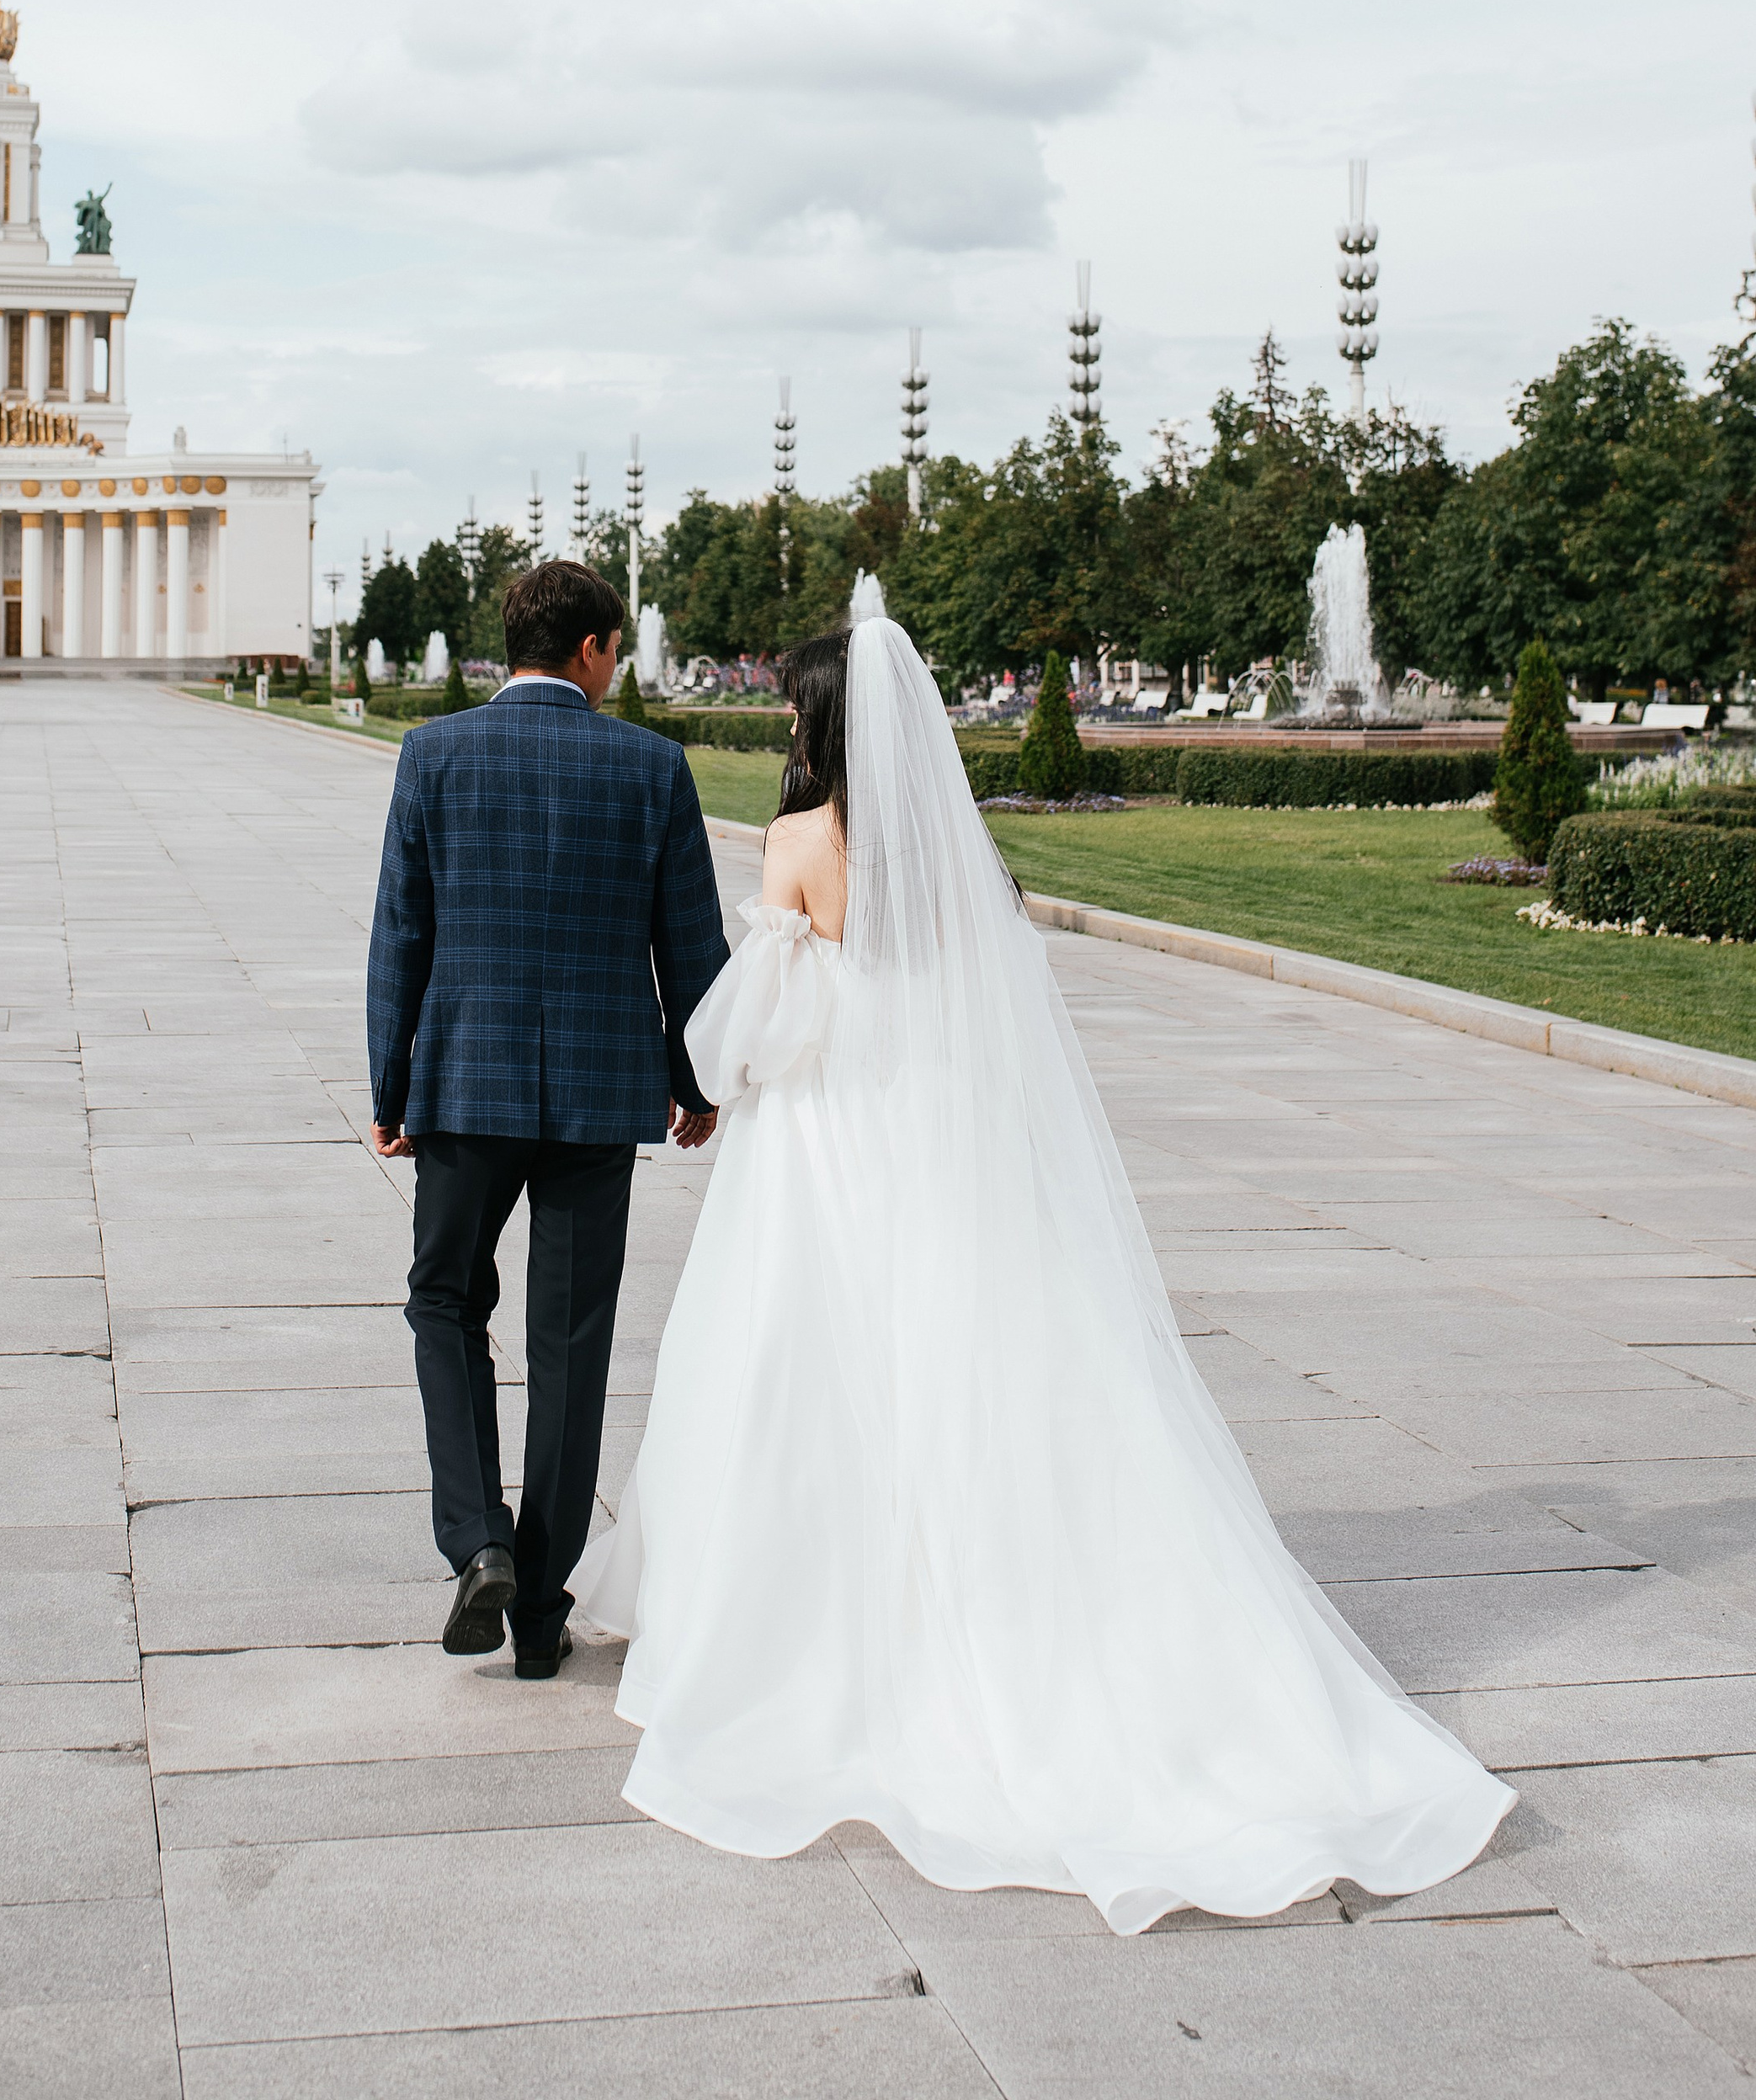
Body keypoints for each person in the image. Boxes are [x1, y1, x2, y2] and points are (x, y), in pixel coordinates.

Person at [570, 577, 1515, 1934]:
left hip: (832, 1154)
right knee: (987, 1375)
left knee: (794, 1381)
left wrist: (715, 1064)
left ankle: (793, 1631)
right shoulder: (961, 860)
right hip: (944, 1150)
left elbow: (761, 1036)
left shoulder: (798, 840)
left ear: (821, 723)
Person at [366, 559, 727, 1678]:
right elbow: (693, 946)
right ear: (590, 650)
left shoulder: (434, 753)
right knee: (569, 1347)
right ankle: (540, 1605)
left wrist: (390, 1088)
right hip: (595, 1095)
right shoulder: (653, 768)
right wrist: (696, 1079)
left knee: (443, 1301)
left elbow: (401, 936)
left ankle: (478, 1543)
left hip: (464, 1087)